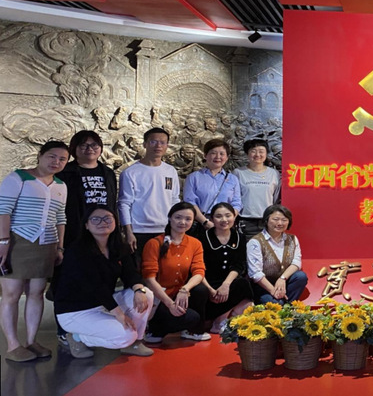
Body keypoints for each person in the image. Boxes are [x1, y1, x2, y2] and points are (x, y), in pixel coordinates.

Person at [55, 206, 155, 358]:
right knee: (126, 336)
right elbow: (94, 287)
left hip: (102, 303)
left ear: (115, 222)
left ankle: (135, 342)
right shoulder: (77, 251)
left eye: (107, 218)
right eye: (96, 219)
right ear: (86, 225)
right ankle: (77, 338)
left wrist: (138, 290)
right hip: (76, 311)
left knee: (146, 294)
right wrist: (119, 314)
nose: (102, 222)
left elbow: (130, 273)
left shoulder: (118, 246)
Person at [0, 141, 69, 362]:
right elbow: (3, 210)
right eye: (52, 156)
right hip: (17, 240)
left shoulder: (60, 185)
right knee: (11, 294)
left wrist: (59, 246)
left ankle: (31, 341)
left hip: (47, 242)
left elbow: (60, 218)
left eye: (62, 159)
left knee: (37, 292)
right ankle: (13, 345)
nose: (56, 162)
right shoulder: (18, 178)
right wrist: (3, 242)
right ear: (40, 155)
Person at [53, 130, 118, 345]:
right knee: (68, 279)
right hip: (73, 234)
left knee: (102, 276)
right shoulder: (65, 172)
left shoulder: (107, 172)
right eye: (83, 145)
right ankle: (64, 328)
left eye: (94, 145)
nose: (89, 149)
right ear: (74, 149)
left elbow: (113, 202)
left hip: (103, 234)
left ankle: (97, 320)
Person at [141, 202, 210, 343]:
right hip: (159, 298)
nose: (183, 222)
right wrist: (169, 304)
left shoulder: (195, 243)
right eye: (178, 217)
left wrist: (185, 289)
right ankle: (155, 329)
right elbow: (149, 278)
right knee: (190, 317)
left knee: (201, 290)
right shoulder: (154, 243)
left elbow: (199, 272)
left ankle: (193, 331)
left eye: (188, 219)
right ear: (169, 218)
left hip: (179, 294)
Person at [118, 128, 180, 268]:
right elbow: (124, 204)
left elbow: (174, 200)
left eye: (162, 142)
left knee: (164, 270)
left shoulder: (170, 171)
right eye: (153, 142)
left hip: (165, 230)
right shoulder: (130, 172)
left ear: (167, 146)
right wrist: (128, 232)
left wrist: (175, 228)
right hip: (139, 231)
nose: (158, 146)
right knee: (141, 271)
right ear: (145, 144)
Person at [199, 203, 252, 333]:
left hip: (228, 282)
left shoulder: (239, 237)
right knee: (200, 291)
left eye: (228, 216)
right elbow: (198, 267)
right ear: (212, 219)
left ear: (234, 216)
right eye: (219, 216)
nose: (224, 220)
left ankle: (221, 320)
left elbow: (239, 265)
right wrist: (210, 289)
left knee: (243, 284)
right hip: (208, 282)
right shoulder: (202, 238)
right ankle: (217, 319)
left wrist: (226, 284)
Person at [247, 204, 307, 304]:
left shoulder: (292, 239)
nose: (280, 223)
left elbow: (296, 262)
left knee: (301, 276)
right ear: (266, 220)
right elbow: (255, 273)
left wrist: (282, 278)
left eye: (284, 220)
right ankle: (282, 304)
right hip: (263, 286)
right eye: (275, 219)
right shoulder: (255, 242)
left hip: (283, 283)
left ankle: (288, 305)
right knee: (276, 303)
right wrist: (273, 291)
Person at [183, 139, 242, 233]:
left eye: (222, 154)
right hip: (201, 223)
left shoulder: (232, 179)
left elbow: (237, 203)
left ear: (227, 157)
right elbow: (190, 202)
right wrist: (205, 222)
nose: (218, 157)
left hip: (226, 224)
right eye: (213, 153)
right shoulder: (193, 177)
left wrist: (228, 220)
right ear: (205, 155)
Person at [233, 139, 281, 238]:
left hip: (268, 221)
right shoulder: (238, 173)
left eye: (261, 151)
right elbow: (234, 197)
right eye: (253, 151)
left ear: (266, 153)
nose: (257, 154)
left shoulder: (274, 173)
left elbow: (276, 198)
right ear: (247, 154)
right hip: (246, 221)